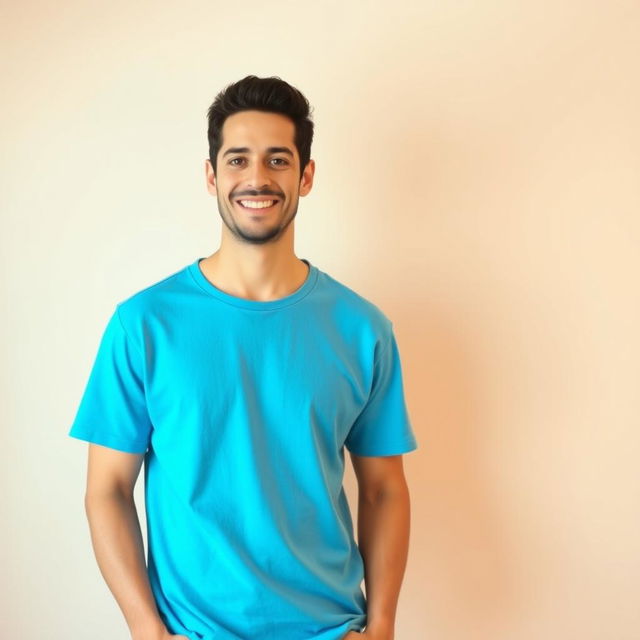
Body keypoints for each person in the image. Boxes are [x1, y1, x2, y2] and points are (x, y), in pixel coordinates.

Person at [68, 75, 418, 640]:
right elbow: (106, 488)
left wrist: (381, 627)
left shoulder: (363, 329)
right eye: (238, 160)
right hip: (195, 632)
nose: (257, 178)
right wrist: (145, 629)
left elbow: (384, 488)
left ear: (306, 175)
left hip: (330, 628)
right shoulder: (143, 325)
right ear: (211, 176)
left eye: (278, 160)